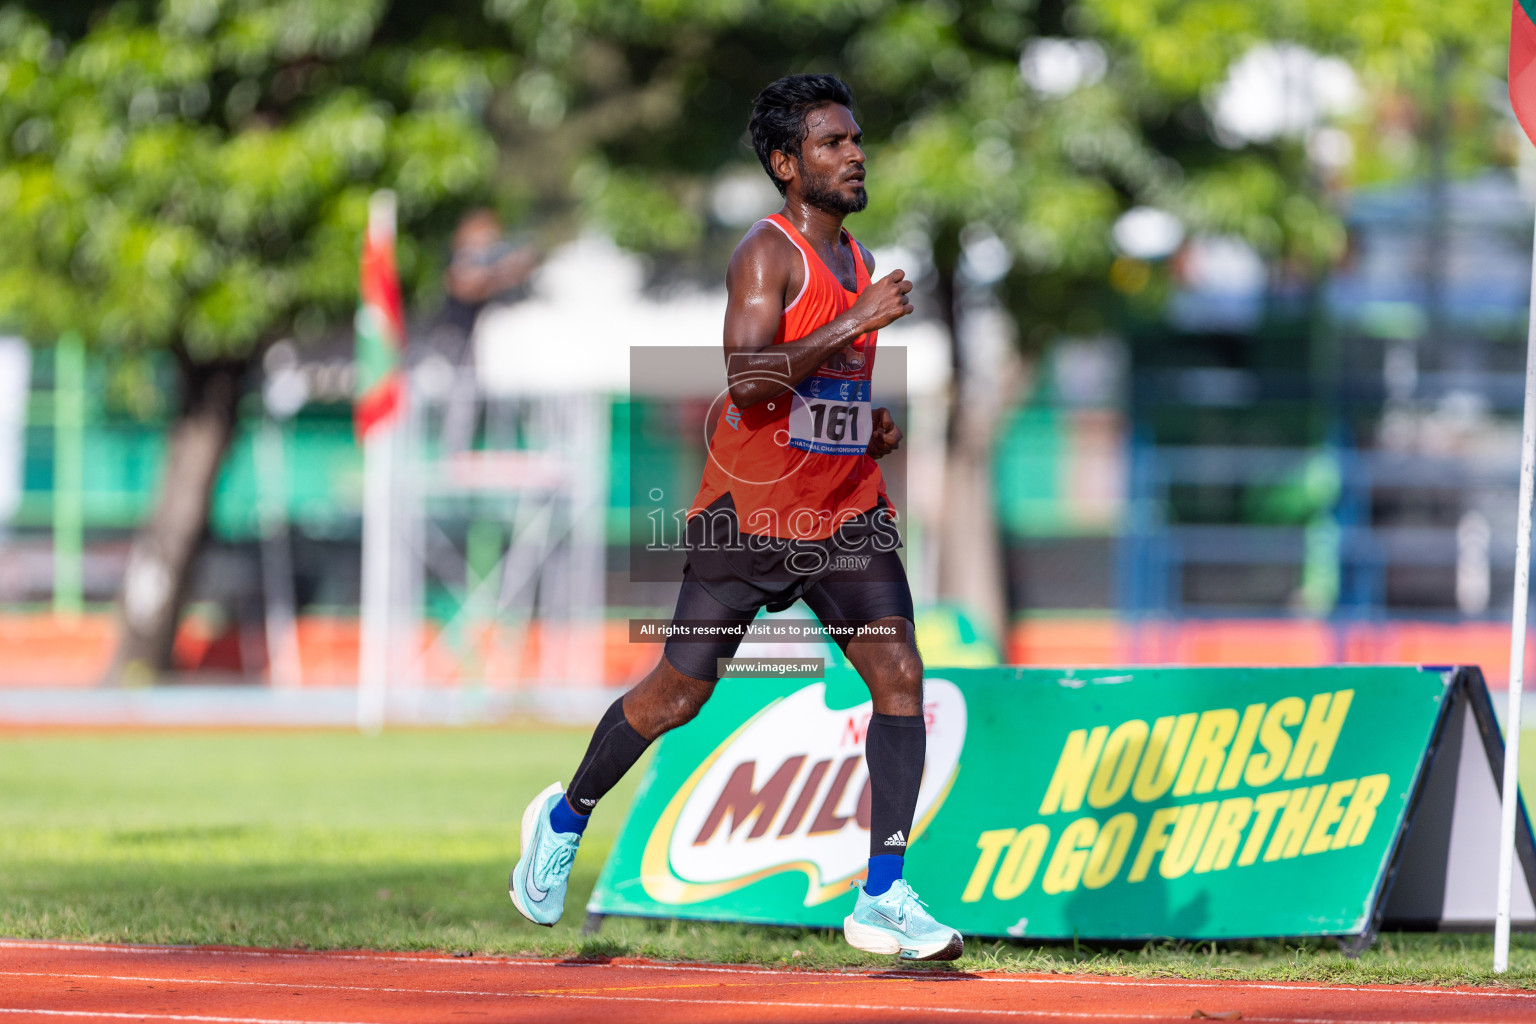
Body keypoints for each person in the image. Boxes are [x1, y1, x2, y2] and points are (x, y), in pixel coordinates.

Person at [509, 74, 963, 962]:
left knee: (901, 678)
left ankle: (883, 894)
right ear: (786, 165)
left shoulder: (861, 262)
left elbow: (812, 395)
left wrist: (863, 425)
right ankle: (564, 819)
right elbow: (749, 379)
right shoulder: (769, 253)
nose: (855, 153)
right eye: (832, 143)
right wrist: (855, 324)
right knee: (679, 694)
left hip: (844, 514)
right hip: (747, 518)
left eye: (856, 138)